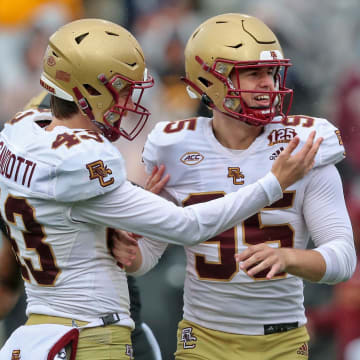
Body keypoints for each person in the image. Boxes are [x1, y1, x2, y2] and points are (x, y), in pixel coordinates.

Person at [0, 18, 319, 360]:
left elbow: (75, 211)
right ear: (89, 90)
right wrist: (273, 184)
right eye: (121, 90)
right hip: (92, 336)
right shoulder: (82, 161)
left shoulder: (21, 132)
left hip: (42, 326)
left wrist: (133, 204)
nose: (127, 102)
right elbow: (189, 225)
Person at [113, 13, 357, 360]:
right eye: (253, 73)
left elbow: (343, 258)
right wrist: (132, 252)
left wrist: (290, 257)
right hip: (203, 338)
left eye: (272, 73)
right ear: (210, 79)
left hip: (281, 340)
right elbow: (150, 252)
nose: (268, 84)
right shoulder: (175, 147)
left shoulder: (303, 146)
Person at [0, 90, 162, 360]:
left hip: (48, 332)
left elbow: (6, 280)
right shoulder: (91, 178)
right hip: (98, 330)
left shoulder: (21, 190)